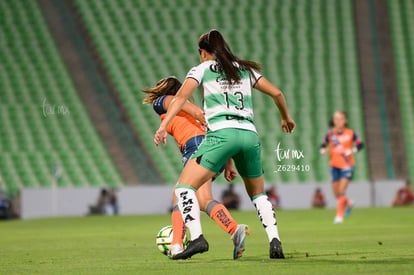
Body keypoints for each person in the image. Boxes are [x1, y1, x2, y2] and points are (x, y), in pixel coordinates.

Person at [154, 29, 295, 260]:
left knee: (183, 189)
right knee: (259, 194)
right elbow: (277, 93)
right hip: (249, 135)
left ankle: (198, 238)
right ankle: (275, 241)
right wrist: (285, 118)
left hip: (221, 135)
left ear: (203, 52)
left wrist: (162, 126)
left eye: (200, 52)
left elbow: (179, 99)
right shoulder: (244, 69)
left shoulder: (202, 69)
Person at [142, 77, 248, 259]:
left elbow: (186, 106)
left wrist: (197, 117)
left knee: (180, 194)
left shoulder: (163, 101)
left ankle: (177, 245)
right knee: (202, 198)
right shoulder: (182, 110)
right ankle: (234, 230)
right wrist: (229, 163)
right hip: (215, 148)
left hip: (198, 146)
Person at [320, 111, 364, 224]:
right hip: (334, 165)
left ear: (345, 120)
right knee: (336, 193)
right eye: (336, 119)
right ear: (333, 121)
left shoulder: (351, 133)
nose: (338, 121)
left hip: (347, 165)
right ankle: (348, 203)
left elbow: (360, 144)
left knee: (341, 191)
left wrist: (352, 150)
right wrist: (323, 150)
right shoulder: (330, 134)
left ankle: (339, 215)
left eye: (341, 119)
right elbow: (323, 144)